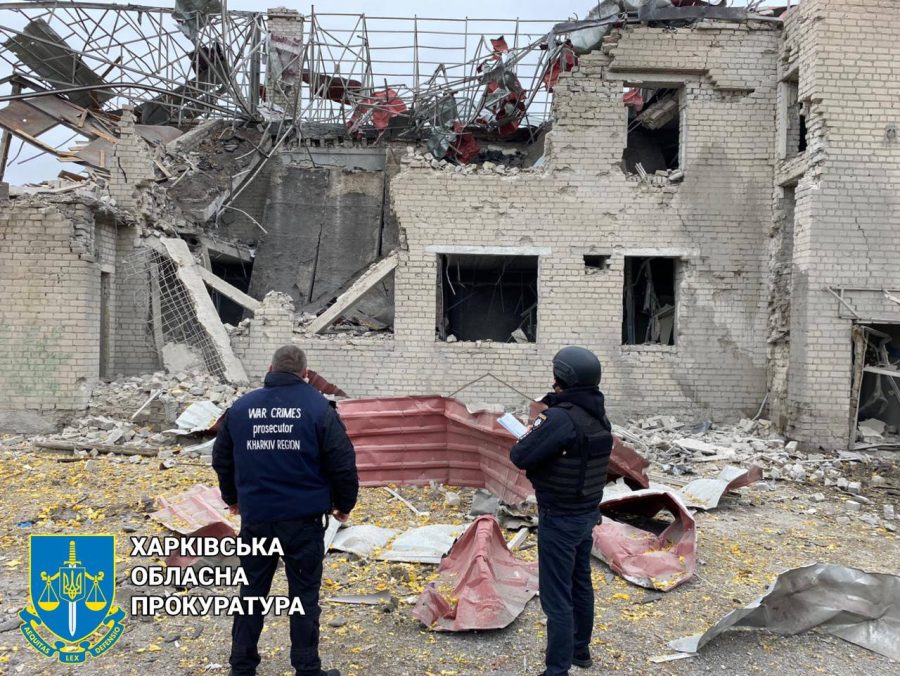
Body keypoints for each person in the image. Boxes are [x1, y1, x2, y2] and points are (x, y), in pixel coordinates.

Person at [212, 345, 358, 676]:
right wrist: (344, 504)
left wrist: (232, 497)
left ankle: (241, 667)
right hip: (303, 523)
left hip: (257, 519)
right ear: (305, 374)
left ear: (270, 368)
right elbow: (343, 463)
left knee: (251, 592)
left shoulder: (241, 408)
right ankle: (307, 669)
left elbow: (221, 458)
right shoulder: (319, 408)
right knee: (303, 596)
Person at [510, 346, 613, 676]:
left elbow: (520, 455)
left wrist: (533, 429)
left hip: (560, 518)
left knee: (556, 597)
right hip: (585, 515)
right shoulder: (597, 415)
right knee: (580, 583)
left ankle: (557, 670)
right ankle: (580, 650)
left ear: (563, 378)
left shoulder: (560, 418)